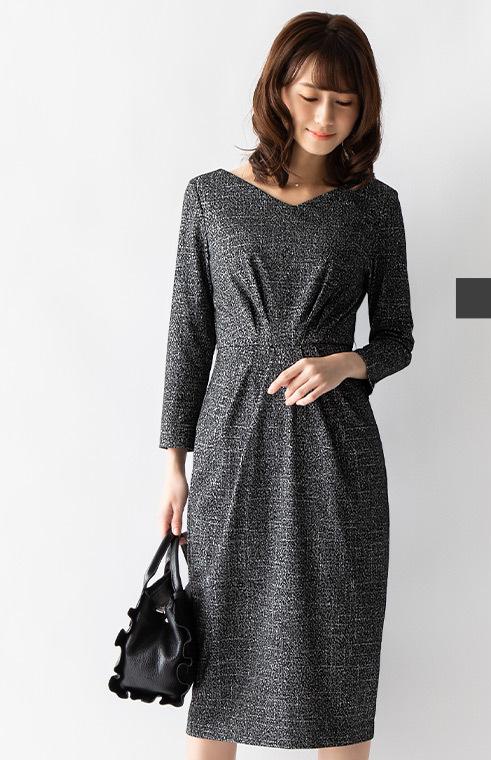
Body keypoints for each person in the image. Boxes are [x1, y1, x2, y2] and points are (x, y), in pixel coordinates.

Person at [157, 12, 414, 760]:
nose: (326, 117)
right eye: (310, 96)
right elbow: (188, 335)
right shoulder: (211, 198)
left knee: (339, 658)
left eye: (345, 102)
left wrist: (345, 363)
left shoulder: (374, 208)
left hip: (338, 459)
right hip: (232, 450)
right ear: (278, 91)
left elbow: (397, 338)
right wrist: (173, 463)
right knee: (218, 661)